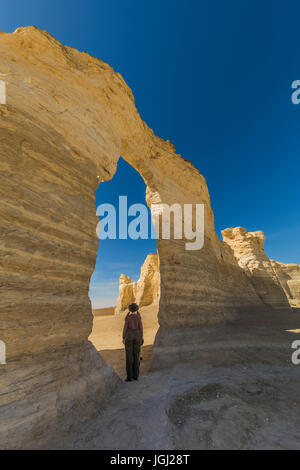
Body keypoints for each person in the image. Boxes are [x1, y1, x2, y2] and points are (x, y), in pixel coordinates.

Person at [122, 302, 144, 382]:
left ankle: (129, 377)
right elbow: (141, 328)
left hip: (129, 336)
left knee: (129, 357)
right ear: (137, 309)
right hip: (137, 336)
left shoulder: (128, 317)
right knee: (136, 355)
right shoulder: (138, 317)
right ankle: (136, 376)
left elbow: (125, 328)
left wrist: (123, 337)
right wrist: (141, 337)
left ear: (130, 309)